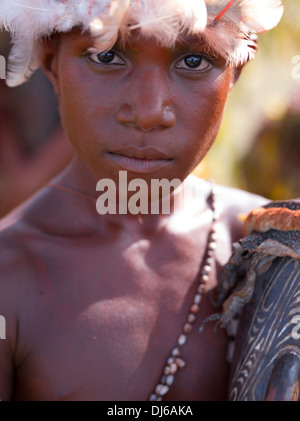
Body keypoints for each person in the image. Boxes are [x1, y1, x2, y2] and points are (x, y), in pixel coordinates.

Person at [0, 0, 284, 401]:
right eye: (107, 55)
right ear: (51, 62)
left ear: (235, 69)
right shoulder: (9, 280)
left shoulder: (272, 244)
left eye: (194, 61)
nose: (150, 112)